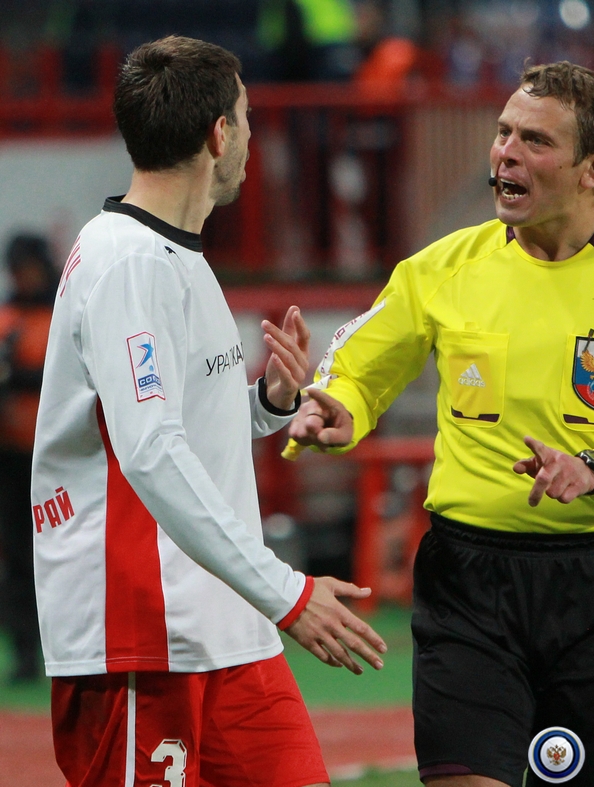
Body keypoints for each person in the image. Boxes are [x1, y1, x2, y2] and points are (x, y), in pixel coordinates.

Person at [287, 61, 594, 787]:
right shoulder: (442, 267)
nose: (505, 154)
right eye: (503, 133)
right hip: (468, 583)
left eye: (535, 141)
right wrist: (337, 407)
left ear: (593, 169)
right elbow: (355, 368)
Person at [31, 35, 386, 787]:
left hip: (226, 627)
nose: (252, 137)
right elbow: (151, 451)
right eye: (247, 118)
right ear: (219, 134)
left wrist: (269, 403)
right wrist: (289, 593)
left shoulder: (174, 255)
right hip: (142, 635)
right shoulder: (128, 263)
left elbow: (173, 424)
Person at [0, 234, 57, 682]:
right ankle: (25, 652)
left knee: (60, 554)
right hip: (12, 458)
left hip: (57, 461)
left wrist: (18, 375)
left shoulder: (60, 313)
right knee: (18, 557)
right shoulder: (9, 318)